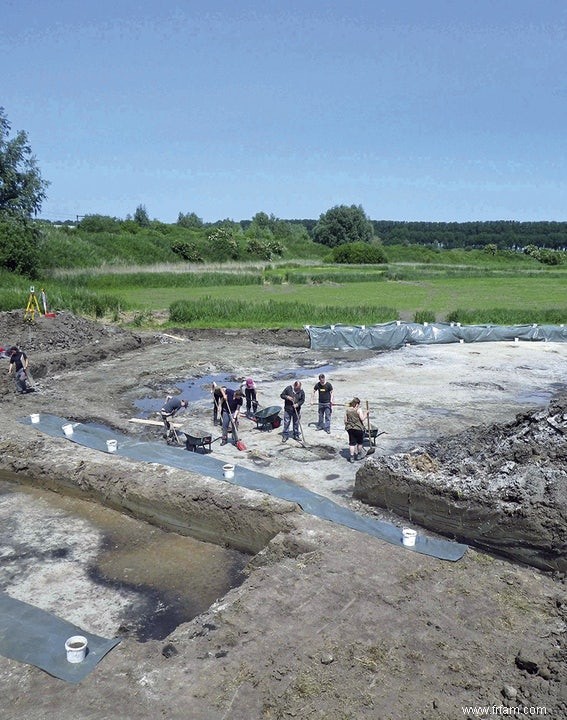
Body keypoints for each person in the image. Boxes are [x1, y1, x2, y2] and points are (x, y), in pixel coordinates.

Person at [344, 397, 369, 463]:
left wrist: (347, 426)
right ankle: (359, 455)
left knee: (352, 443)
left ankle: (352, 457)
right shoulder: (359, 410)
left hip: (350, 428)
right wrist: (366, 413)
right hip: (358, 428)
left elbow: (345, 420)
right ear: (357, 404)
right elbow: (362, 418)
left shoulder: (348, 410)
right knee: (359, 442)